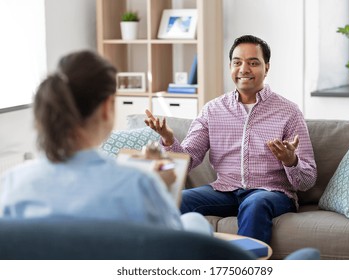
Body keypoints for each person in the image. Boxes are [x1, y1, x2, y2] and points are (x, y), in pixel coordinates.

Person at [0, 50, 211, 235]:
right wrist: (160, 185)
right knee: (195, 223)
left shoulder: (11, 183)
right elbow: (170, 246)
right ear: (105, 108)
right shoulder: (138, 184)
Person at [144, 35, 317, 244]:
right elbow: (187, 162)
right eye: (237, 62)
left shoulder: (288, 112)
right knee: (176, 199)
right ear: (230, 66)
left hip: (270, 193)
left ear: (267, 67)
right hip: (224, 190)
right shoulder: (213, 110)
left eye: (253, 63)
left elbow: (307, 180)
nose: (244, 69)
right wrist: (169, 139)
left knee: (255, 203)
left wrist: (291, 161)